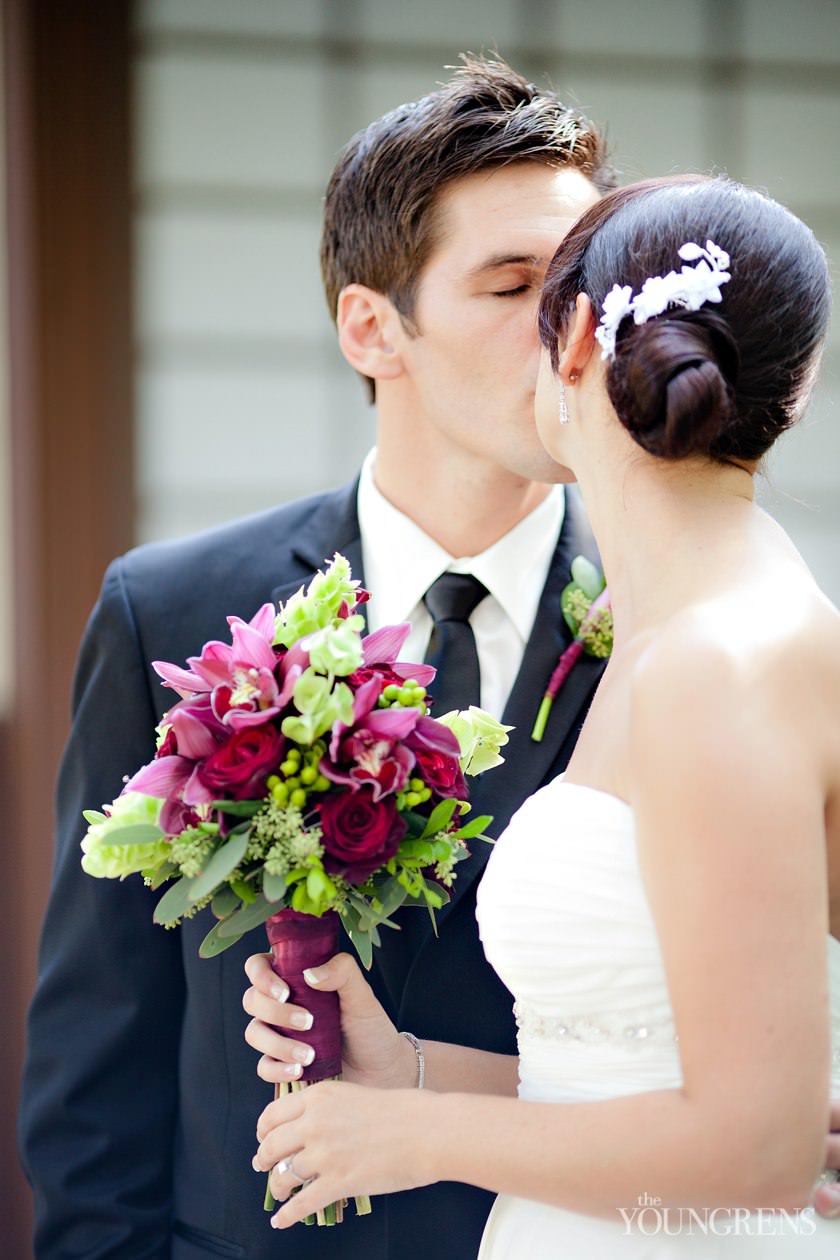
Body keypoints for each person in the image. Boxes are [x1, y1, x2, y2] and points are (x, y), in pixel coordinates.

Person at [19, 58, 619, 1260]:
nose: (570, 332)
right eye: (512, 286)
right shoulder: (172, 613)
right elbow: (99, 1049)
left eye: (586, 285)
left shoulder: (671, 634)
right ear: (371, 326)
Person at [245, 174, 840, 1256]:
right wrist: (414, 1072)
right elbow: (628, 1071)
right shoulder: (668, 632)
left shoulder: (722, 659)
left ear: (573, 349)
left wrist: (417, 1135)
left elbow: (760, 1151)